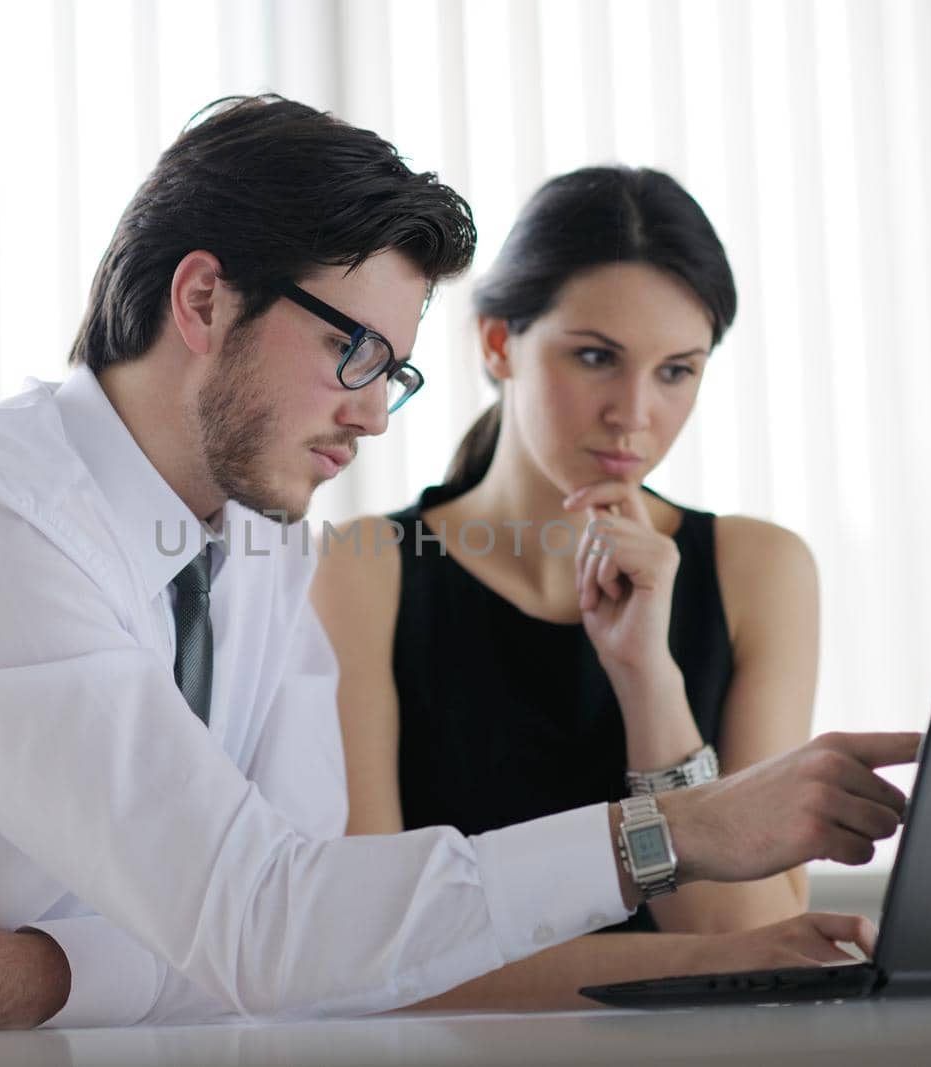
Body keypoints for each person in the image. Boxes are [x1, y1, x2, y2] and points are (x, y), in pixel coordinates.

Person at [0, 96, 916, 1037]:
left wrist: (30, 972)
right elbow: (269, 927)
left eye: (397, 372)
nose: (376, 421)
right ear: (204, 299)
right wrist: (676, 829)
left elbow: (314, 924)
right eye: (355, 356)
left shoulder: (258, 542)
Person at [311, 167, 834, 1011]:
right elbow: (372, 952)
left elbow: (749, 930)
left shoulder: (759, 569)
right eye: (596, 357)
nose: (634, 412)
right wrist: (692, 965)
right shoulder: (365, 567)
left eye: (677, 371)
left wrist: (649, 681)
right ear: (496, 343)